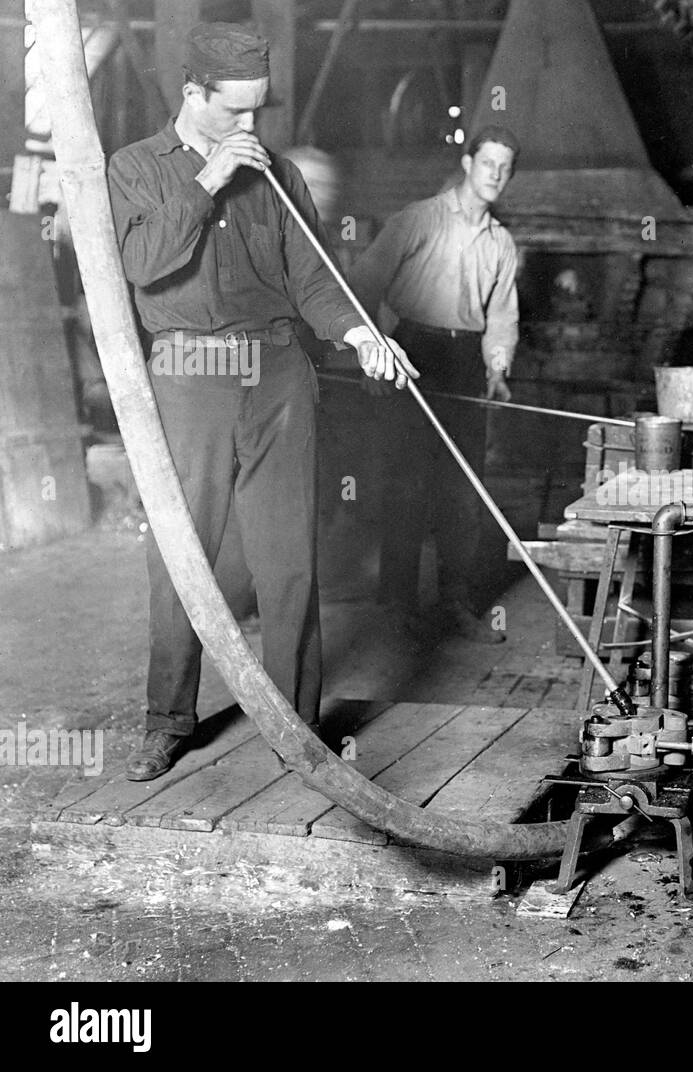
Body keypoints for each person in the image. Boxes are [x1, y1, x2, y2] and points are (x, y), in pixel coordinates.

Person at [107, 23, 412, 780]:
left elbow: (313, 281)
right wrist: (207, 179)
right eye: (234, 113)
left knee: (289, 557)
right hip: (189, 373)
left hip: (277, 372)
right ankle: (167, 719)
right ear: (192, 94)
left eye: (258, 112)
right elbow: (142, 266)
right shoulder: (134, 169)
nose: (250, 129)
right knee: (182, 553)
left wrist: (359, 334)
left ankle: (298, 726)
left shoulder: (278, 175)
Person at [348, 127, 520, 643]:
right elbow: (364, 285)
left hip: (465, 360)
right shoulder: (418, 219)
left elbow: (501, 316)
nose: (495, 174)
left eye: (505, 167)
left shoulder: (501, 242)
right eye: (487, 162)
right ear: (468, 162)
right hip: (412, 352)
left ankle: (455, 603)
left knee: (463, 488)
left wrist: (497, 366)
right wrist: (372, 357)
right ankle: (396, 607)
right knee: (406, 483)